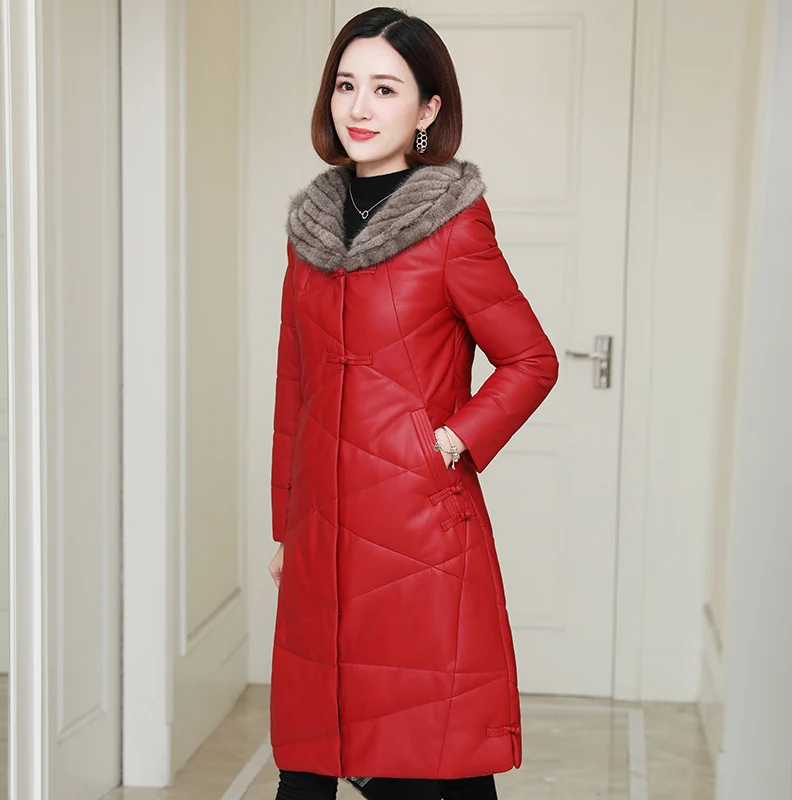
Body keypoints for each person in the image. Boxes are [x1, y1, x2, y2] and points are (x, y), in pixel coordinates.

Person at [268, 7, 559, 799]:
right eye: (346, 85)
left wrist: (447, 443)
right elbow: (294, 385)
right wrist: (286, 526)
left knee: (432, 754)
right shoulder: (310, 229)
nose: (359, 107)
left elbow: (531, 361)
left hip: (418, 534)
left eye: (385, 89)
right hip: (322, 535)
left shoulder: (453, 225)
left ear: (428, 108)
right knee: (308, 756)